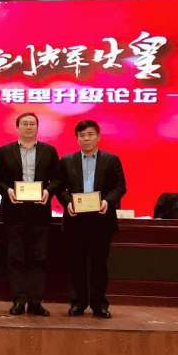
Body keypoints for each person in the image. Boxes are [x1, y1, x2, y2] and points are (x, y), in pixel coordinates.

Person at [57, 120, 126, 319]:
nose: (86, 139)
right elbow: (60, 187)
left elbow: (120, 187)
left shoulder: (111, 160)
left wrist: (107, 201)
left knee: (99, 265)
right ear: (77, 139)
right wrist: (67, 202)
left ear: (98, 137)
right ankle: (78, 303)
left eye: (90, 134)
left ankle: (99, 304)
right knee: (76, 264)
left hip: (101, 220)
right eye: (82, 135)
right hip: (75, 220)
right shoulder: (67, 160)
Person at [0, 112, 60, 317]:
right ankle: (18, 301)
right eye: (25, 123)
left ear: (37, 127)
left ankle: (36, 302)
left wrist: (48, 191)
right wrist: (8, 191)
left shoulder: (49, 151)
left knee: (39, 258)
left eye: (32, 124)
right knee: (16, 258)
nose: (28, 127)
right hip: (14, 212)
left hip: (40, 212)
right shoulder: (5, 151)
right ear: (18, 127)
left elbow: (57, 179)